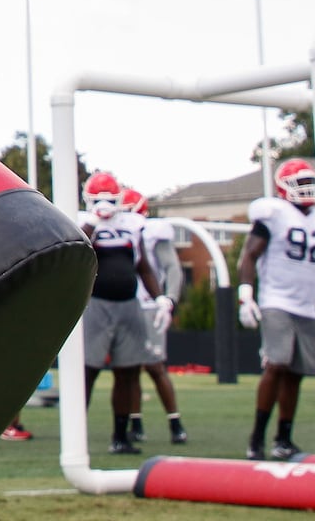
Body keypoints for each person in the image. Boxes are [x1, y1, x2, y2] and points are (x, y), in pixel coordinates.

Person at [237, 157, 315, 461]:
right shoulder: (274, 213)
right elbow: (249, 254)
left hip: (309, 306)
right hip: (277, 300)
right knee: (276, 365)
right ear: (284, 186)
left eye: (309, 183)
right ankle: (256, 438)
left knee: (296, 373)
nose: (307, 189)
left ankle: (283, 438)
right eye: (300, 183)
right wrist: (246, 294)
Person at [78, 173, 171, 455]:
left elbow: (142, 265)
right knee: (88, 371)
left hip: (129, 303)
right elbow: (79, 247)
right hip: (96, 304)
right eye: (100, 199)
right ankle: (76, 431)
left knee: (128, 371)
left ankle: (120, 435)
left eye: (110, 198)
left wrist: (160, 297)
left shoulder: (132, 224)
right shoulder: (83, 222)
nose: (105, 204)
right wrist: (94, 221)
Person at [126, 188, 188, 445]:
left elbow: (173, 268)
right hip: (125, 304)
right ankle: (134, 422)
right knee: (127, 368)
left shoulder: (153, 232)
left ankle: (175, 421)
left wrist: (169, 300)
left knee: (154, 366)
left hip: (150, 305)